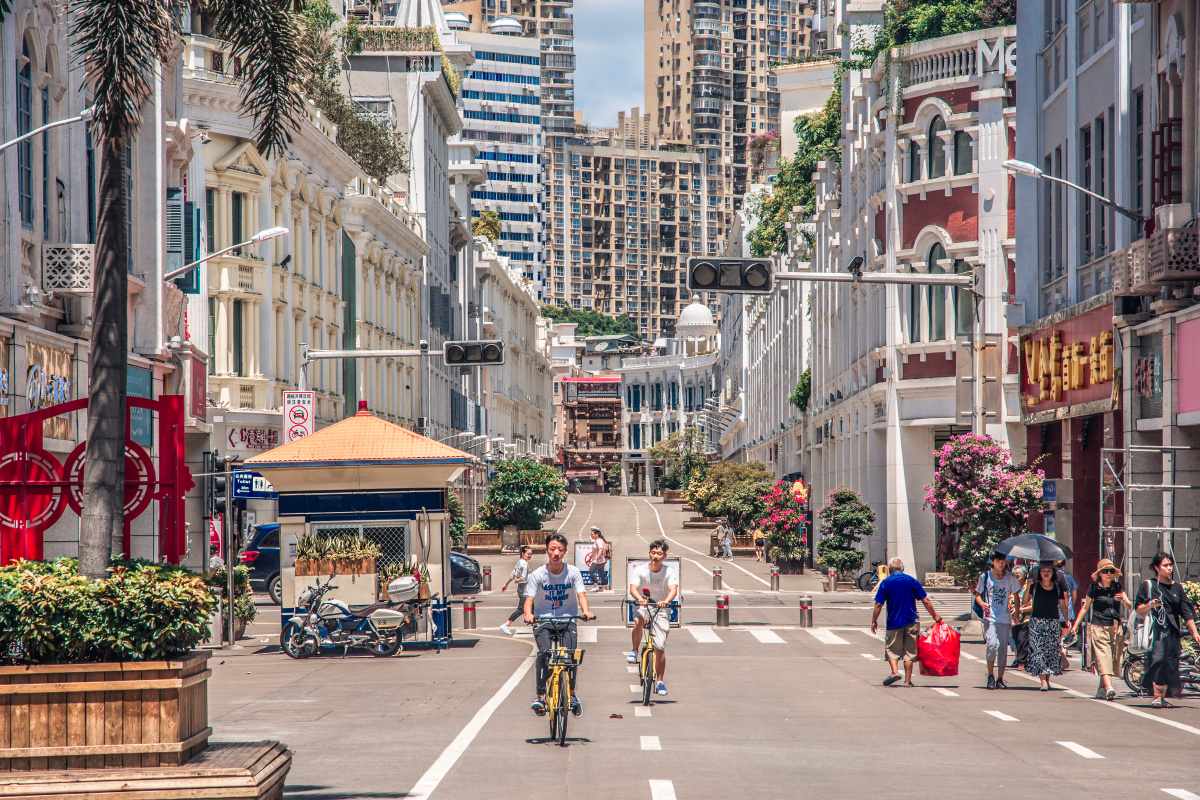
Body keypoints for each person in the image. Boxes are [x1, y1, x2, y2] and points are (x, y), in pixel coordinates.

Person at [524, 533, 595, 717]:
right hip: (543, 621)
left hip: (567, 620)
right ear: (547, 550)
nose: (556, 553)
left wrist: (586, 612)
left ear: (565, 552)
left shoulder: (573, 572)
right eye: (552, 549)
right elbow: (529, 599)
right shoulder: (538, 574)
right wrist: (528, 614)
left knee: (570, 657)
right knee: (544, 653)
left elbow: (581, 596)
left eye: (560, 550)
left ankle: (571, 695)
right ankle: (540, 695)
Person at [1134, 551, 1200, 708]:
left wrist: (1194, 631)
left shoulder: (1177, 587)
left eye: (1170, 565)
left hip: (1172, 632)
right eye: (1165, 565)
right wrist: (1150, 604)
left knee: (1170, 663)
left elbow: (1186, 610)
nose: (1169, 568)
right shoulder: (1148, 586)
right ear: (1157, 568)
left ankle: (1161, 697)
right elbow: (1138, 608)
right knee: (1160, 660)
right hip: (1156, 631)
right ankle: (1157, 696)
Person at [871, 557, 944, 686]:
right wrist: (934, 615)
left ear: (890, 569)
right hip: (911, 620)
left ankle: (894, 672)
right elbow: (925, 600)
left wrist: (874, 621)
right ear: (903, 568)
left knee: (892, 649)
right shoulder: (912, 581)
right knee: (909, 652)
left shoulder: (886, 583)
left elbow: (878, 604)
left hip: (894, 622)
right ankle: (908, 681)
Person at [1069, 558, 1132, 700]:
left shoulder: (1117, 587)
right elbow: (1085, 608)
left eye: (1111, 571)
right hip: (1098, 626)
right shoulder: (1094, 588)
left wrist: (1123, 601)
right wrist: (1076, 625)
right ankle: (1109, 687)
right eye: (1105, 571)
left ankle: (1101, 689)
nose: (1108, 574)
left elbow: (1128, 606)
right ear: (1100, 574)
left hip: (1115, 627)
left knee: (1113, 658)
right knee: (1104, 656)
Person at [626, 539, 679, 696]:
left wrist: (666, 601)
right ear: (649, 553)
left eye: (659, 554)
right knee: (638, 620)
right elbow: (633, 588)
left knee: (660, 648)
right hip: (643, 606)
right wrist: (640, 599)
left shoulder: (668, 571)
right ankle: (635, 651)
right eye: (653, 553)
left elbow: (673, 590)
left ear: (664, 556)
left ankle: (660, 681)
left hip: (661, 609)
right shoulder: (640, 570)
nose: (656, 556)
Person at [973, 552, 1021, 689]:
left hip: (1005, 617)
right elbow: (977, 595)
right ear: (992, 562)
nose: (1001, 563)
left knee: (1002, 650)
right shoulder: (985, 577)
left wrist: (1017, 612)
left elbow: (1016, 595)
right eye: (998, 561)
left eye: (1003, 560)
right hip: (990, 617)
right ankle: (990, 675)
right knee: (992, 644)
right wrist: (982, 603)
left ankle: (1000, 678)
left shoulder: (1010, 577)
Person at [1020, 561, 1070, 690]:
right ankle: (1043, 681)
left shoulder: (1057, 586)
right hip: (1037, 622)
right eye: (1043, 570)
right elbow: (1025, 601)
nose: (1046, 573)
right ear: (1039, 573)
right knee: (1039, 651)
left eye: (1049, 570)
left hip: (1053, 622)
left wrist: (1067, 620)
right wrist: (1028, 587)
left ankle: (1047, 679)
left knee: (1051, 652)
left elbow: (1063, 604)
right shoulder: (1035, 585)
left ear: (1053, 572)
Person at [499, 545, 533, 636]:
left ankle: (536, 625)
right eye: (528, 554)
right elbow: (524, 578)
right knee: (522, 608)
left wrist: (505, 584)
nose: (529, 556)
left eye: (531, 554)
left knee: (533, 607)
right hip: (525, 589)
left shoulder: (519, 562)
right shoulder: (524, 563)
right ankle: (506, 624)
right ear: (522, 553)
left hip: (522, 589)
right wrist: (518, 580)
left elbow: (513, 574)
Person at [588, 527, 609, 592]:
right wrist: (590, 557)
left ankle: (596, 585)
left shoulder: (599, 541)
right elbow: (595, 551)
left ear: (596, 534)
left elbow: (600, 549)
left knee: (591, 571)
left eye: (592, 534)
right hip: (601, 560)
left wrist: (598, 557)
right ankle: (603, 587)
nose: (591, 535)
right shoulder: (598, 540)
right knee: (601, 573)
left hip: (598, 561)